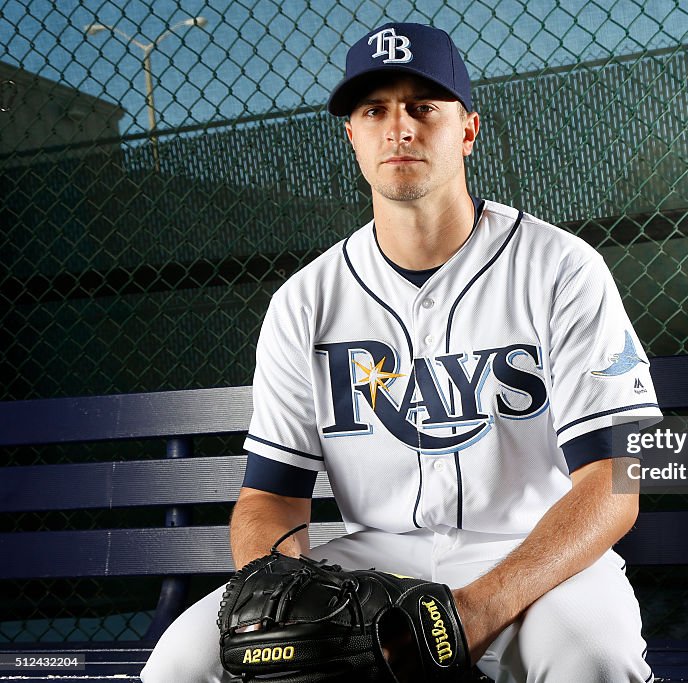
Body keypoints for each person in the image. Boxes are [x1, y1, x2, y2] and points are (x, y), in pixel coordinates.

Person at [142, 21, 661, 683]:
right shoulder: (305, 302)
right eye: (374, 109)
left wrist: (477, 609)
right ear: (352, 134)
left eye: (423, 106)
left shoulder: (561, 269)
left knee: (592, 660)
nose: (400, 127)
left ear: (468, 128)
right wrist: (275, 587)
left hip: (537, 555)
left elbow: (615, 480)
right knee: (179, 666)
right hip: (373, 559)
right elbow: (269, 497)